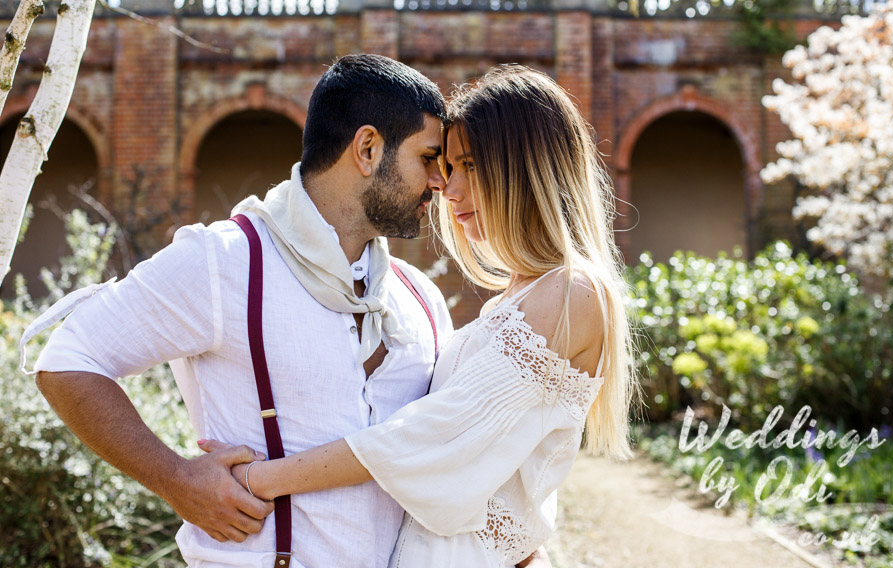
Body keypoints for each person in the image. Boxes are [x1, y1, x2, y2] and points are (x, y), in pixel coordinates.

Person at [24, 54, 456, 568]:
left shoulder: (420, 298)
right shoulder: (224, 261)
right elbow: (69, 360)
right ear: (367, 149)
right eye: (428, 157)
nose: (439, 181)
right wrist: (175, 478)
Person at [199, 65, 640, 568]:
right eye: (447, 167)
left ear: (527, 167)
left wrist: (259, 479)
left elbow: (432, 438)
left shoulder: (573, 294)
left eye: (469, 165)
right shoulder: (515, 300)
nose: (448, 191)